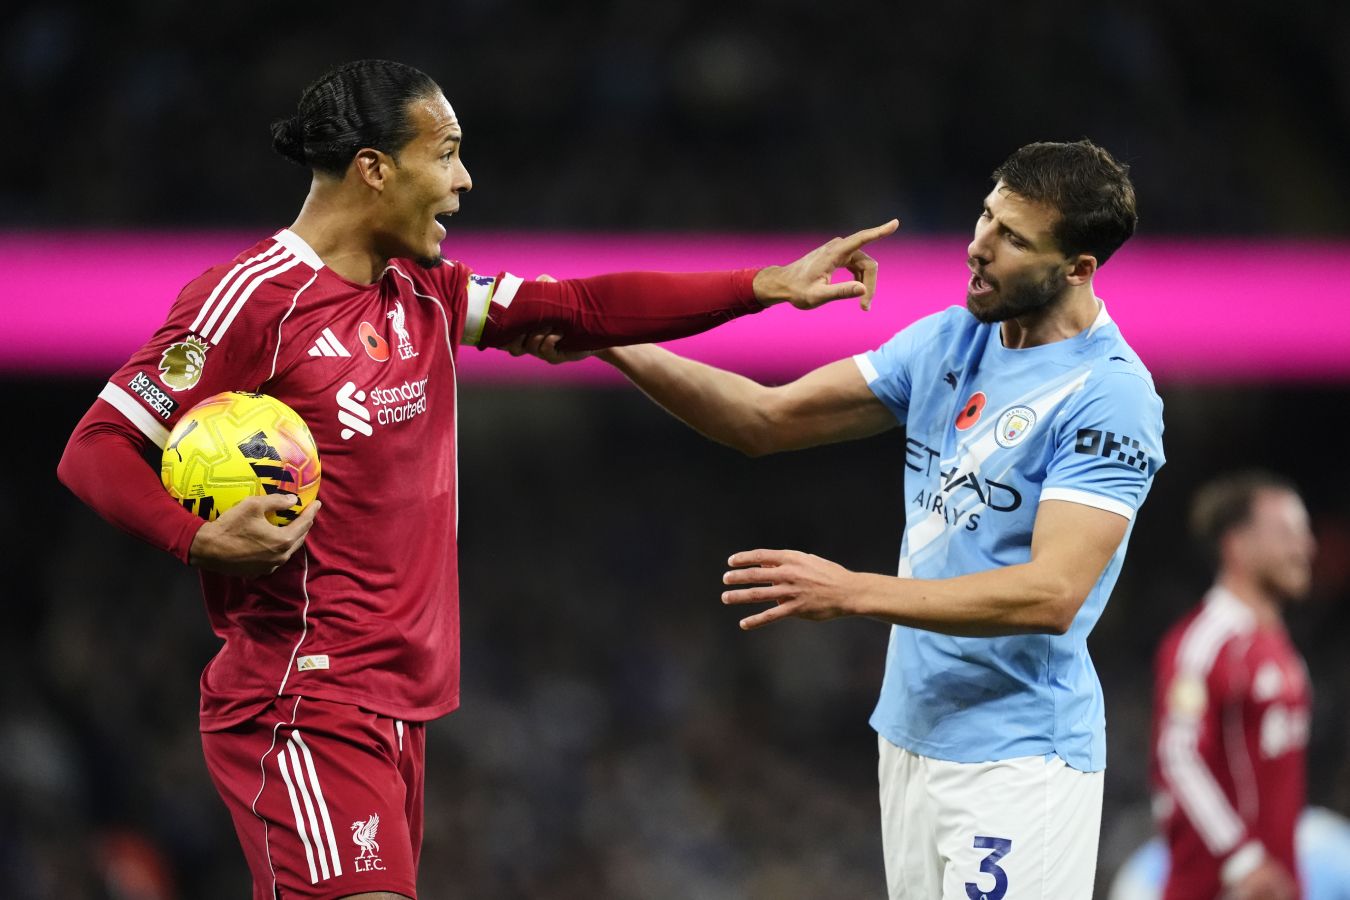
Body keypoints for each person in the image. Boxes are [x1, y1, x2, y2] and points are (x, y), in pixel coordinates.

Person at [55, 59, 896, 900]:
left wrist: (762, 286)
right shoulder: (252, 300)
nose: (465, 180)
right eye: (447, 154)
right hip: (303, 697)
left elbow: (582, 308)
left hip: (398, 708)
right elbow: (95, 448)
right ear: (375, 168)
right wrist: (199, 537)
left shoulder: (425, 290)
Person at [519, 139, 1164, 898]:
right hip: (912, 737)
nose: (979, 247)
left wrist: (852, 591)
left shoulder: (1108, 395)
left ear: (1078, 268)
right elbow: (763, 418)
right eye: (986, 217)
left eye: (1014, 239)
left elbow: (1052, 594)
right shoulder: (950, 340)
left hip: (1019, 756)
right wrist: (608, 340)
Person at [1150, 472, 1316, 900]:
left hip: (1277, 886)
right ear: (1236, 546)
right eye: (1287, 533)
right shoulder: (1204, 642)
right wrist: (1243, 861)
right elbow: (1178, 756)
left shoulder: (1279, 647)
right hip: (1220, 887)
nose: (1306, 547)